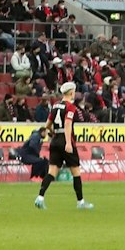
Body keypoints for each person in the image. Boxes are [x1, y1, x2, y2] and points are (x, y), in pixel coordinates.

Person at [36, 81, 91, 210]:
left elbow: (48, 124)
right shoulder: (70, 107)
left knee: (52, 172)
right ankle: (80, 202)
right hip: (65, 141)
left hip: (55, 140)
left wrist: (51, 133)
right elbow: (67, 124)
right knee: (76, 172)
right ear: (71, 92)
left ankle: (40, 197)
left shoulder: (55, 106)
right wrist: (67, 142)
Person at [19, 125, 50, 192]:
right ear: (42, 132)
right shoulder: (36, 136)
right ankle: (34, 177)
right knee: (39, 161)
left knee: (45, 161)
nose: (46, 135)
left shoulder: (38, 138)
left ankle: (44, 178)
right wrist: (38, 155)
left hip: (31, 155)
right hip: (25, 156)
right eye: (45, 133)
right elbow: (32, 145)